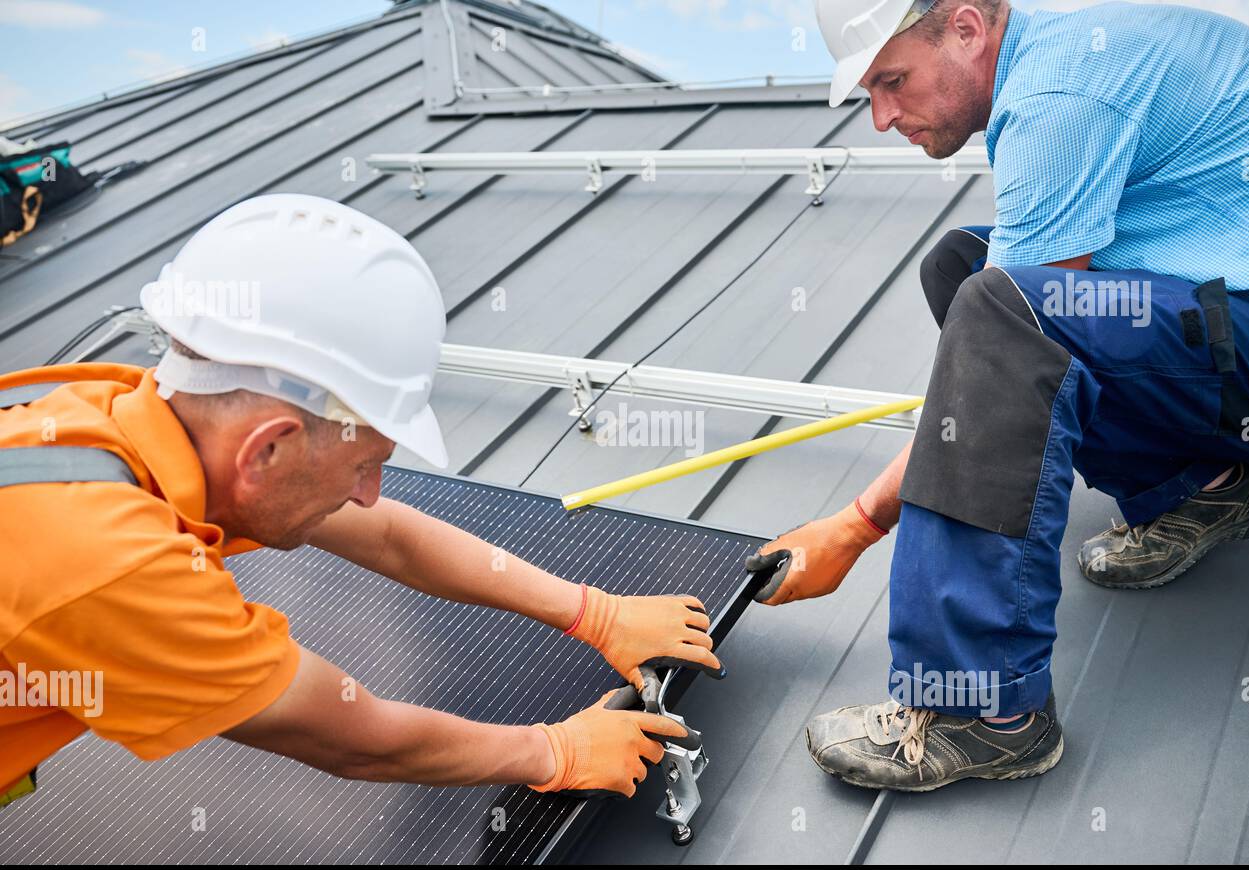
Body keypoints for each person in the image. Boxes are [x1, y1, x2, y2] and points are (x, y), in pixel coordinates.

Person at [0, 194, 723, 810]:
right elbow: (350, 735)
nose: (370, 493)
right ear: (268, 450)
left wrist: (597, 613)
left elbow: (385, 536)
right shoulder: (110, 564)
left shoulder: (126, 416)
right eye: (366, 464)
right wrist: (554, 752)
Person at [747, 0, 1249, 792]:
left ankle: (983, 711)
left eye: (893, 81)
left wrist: (853, 526)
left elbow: (1022, 326)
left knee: (1004, 305)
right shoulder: (1062, 64)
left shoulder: (1060, 98)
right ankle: (1209, 487)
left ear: (967, 29)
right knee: (964, 268)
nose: (880, 117)